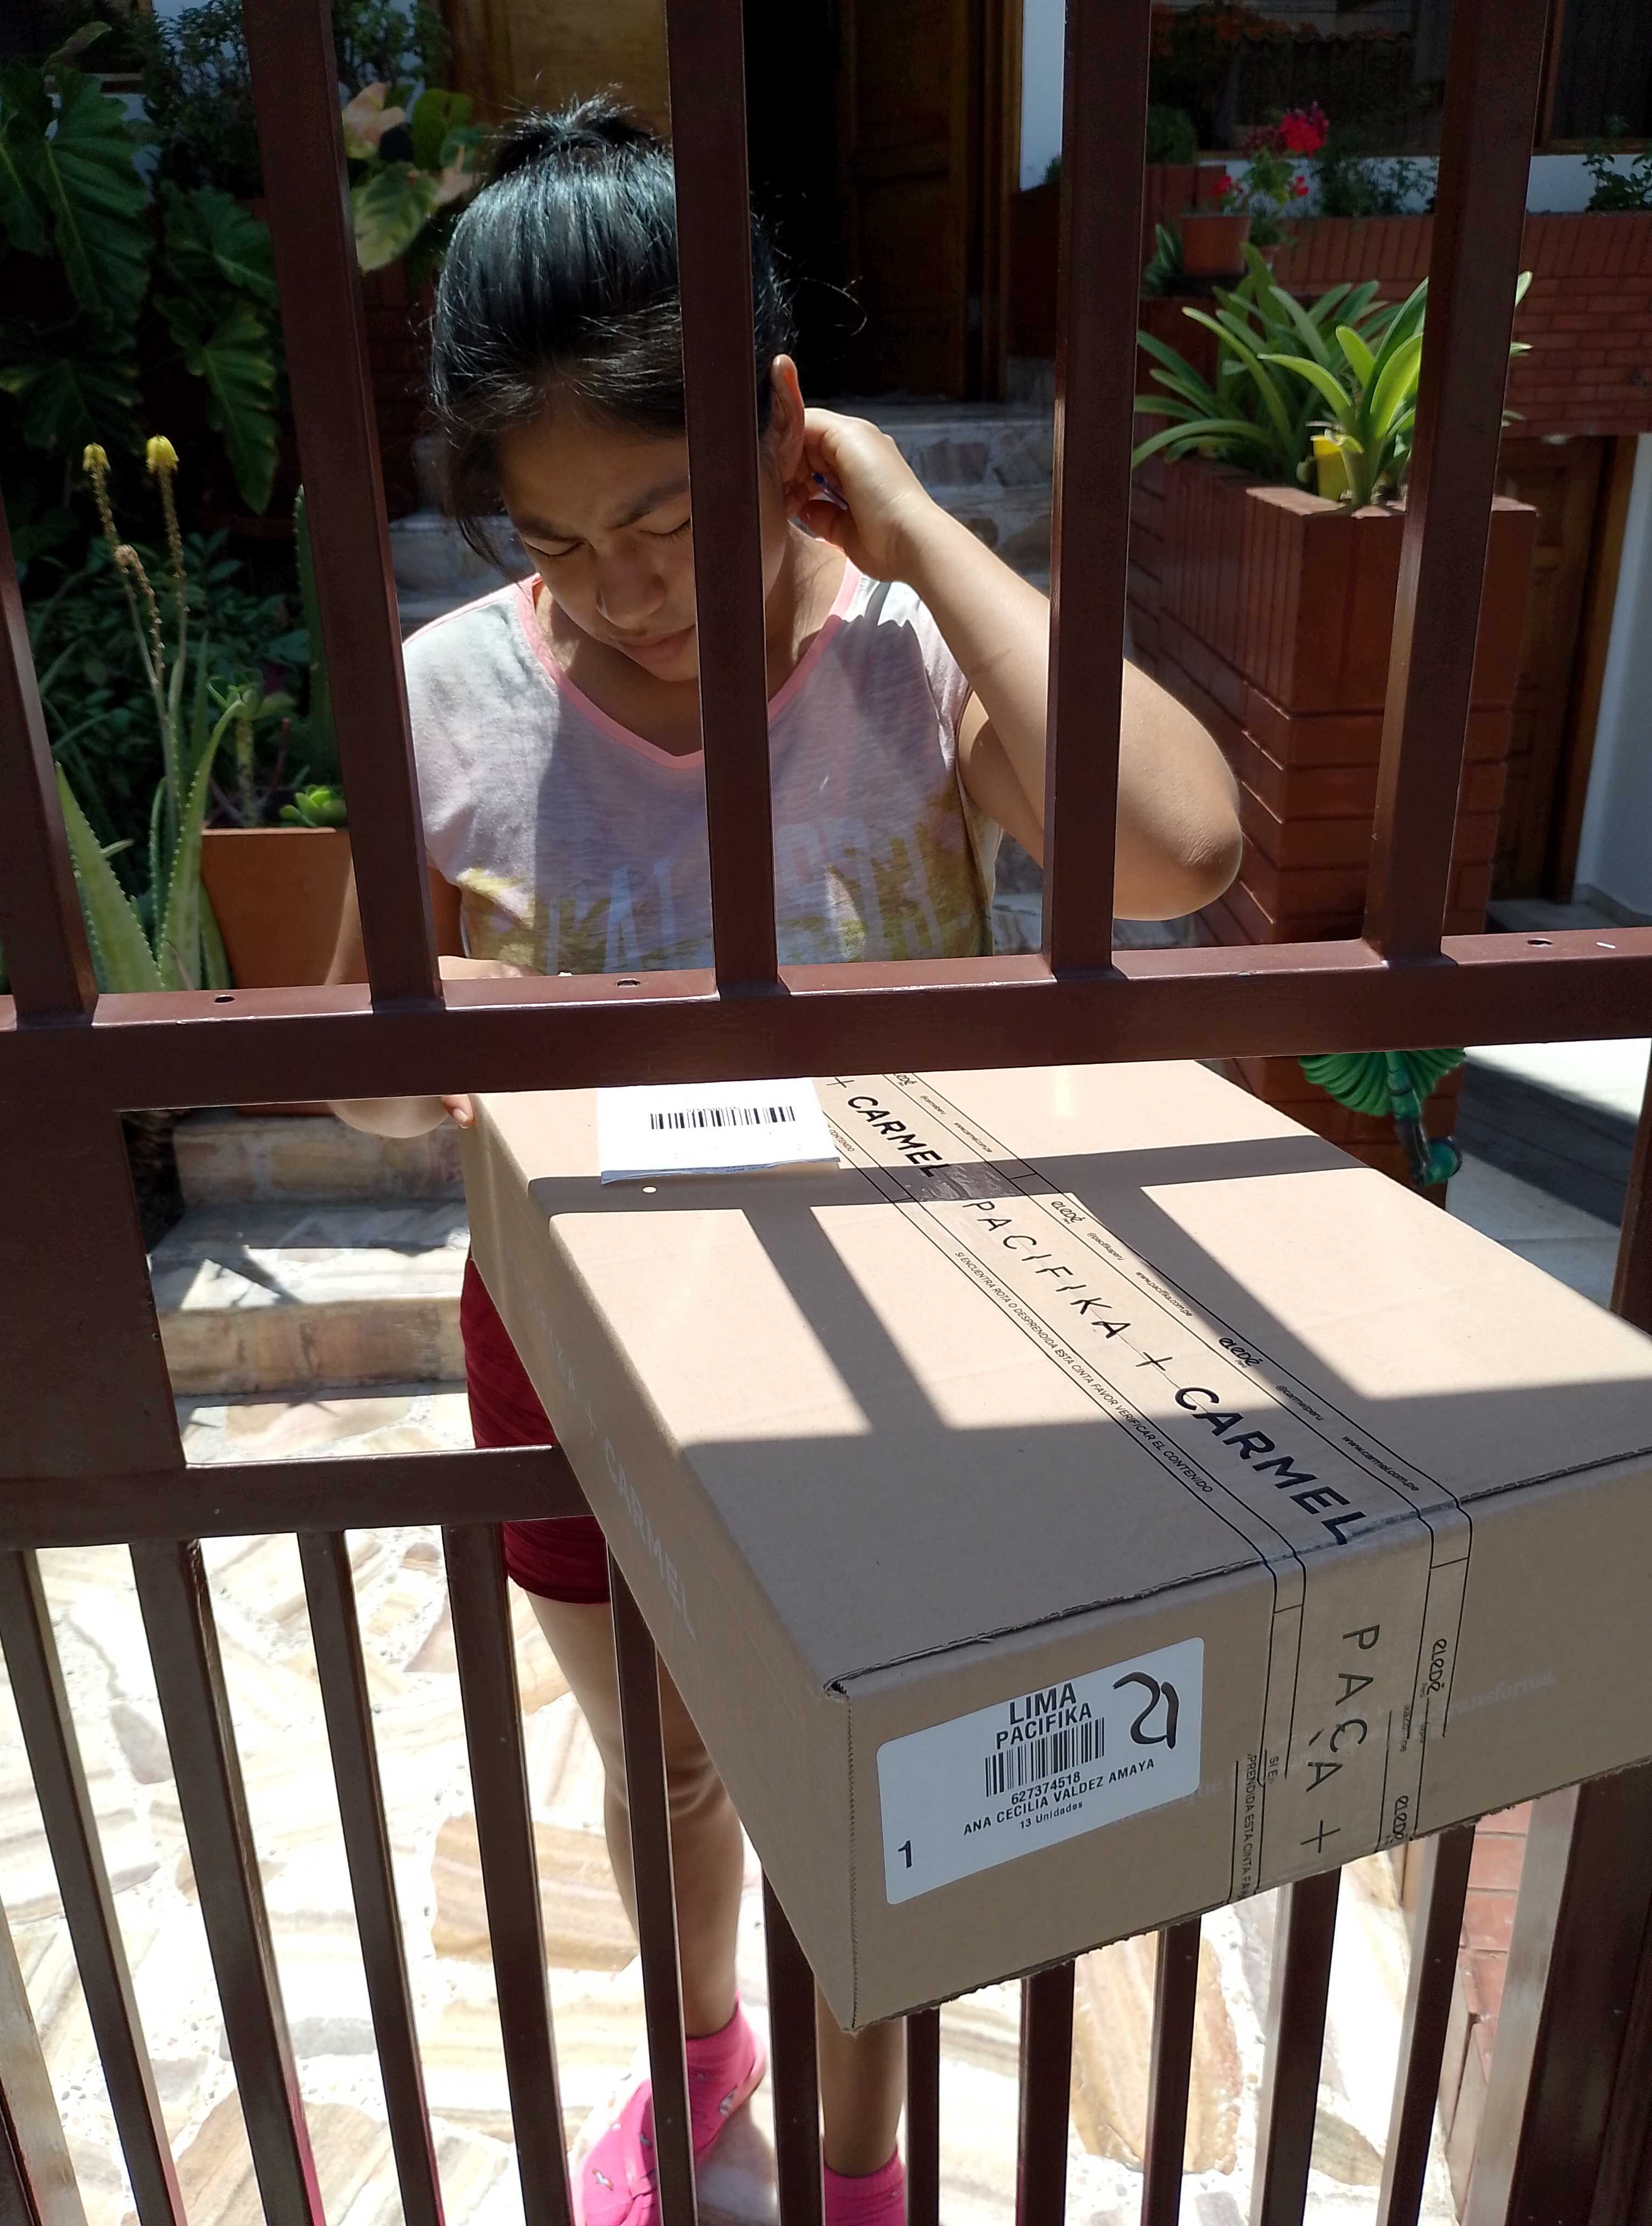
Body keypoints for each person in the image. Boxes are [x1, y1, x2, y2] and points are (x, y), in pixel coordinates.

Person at [328, 97, 1240, 2226]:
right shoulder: (452, 697)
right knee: (666, 1774)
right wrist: (481, 1040)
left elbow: (1182, 849)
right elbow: (368, 1072)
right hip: (575, 1343)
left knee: (877, 1784)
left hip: (891, 1343)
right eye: (560, 540)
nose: (627, 589)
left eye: (668, 511)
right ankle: (703, 2053)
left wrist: (916, 531)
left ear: (780, 421)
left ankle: (856, 2157)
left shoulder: (912, 666)